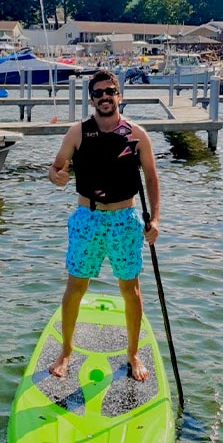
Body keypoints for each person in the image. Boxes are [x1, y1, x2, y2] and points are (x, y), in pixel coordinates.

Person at [48, 69, 160, 381]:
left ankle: (133, 353)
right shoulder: (78, 132)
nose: (104, 97)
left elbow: (151, 177)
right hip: (88, 218)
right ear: (91, 99)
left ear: (119, 95)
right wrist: (56, 176)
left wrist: (155, 219)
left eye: (110, 91)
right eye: (98, 93)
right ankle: (66, 351)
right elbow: (56, 168)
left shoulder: (136, 134)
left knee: (130, 289)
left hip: (125, 220)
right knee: (76, 287)